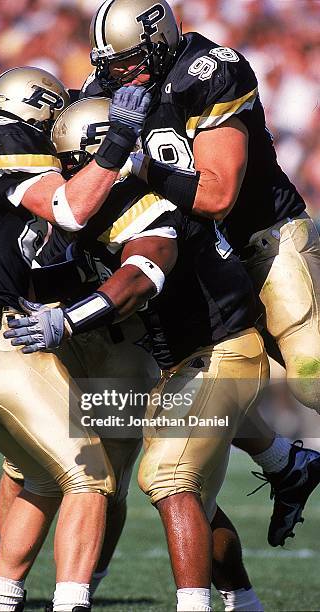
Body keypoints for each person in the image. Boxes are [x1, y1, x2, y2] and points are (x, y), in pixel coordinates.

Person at [5, 95, 269, 612]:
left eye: (69, 161)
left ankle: (193, 606)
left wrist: (67, 321)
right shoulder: (112, 203)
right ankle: (245, 599)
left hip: (220, 352)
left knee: (165, 475)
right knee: (196, 497)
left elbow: (139, 277)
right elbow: (76, 274)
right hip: (187, 361)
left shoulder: (139, 200)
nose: (64, 175)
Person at [84, 0, 320, 548]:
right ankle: (288, 463)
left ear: (160, 39)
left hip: (261, 243)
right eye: (112, 64)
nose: (120, 73)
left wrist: (137, 161)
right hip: (194, 263)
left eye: (130, 60)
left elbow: (216, 195)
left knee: (310, 375)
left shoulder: (207, 71)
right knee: (195, 387)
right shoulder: (112, 86)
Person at [0, 65, 152, 612]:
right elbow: (69, 209)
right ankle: (72, 603)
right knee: (91, 476)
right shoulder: (3, 133)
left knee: (40, 476)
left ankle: (1, 600)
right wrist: (116, 141)